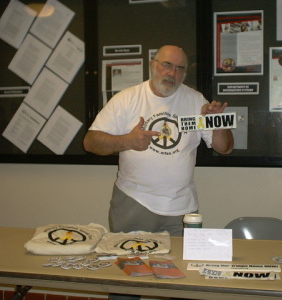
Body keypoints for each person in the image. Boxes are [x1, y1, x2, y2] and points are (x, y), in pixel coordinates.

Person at [84, 45, 233, 237]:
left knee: (181, 265)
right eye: (167, 65)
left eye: (180, 68)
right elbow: (90, 142)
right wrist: (127, 141)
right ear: (152, 65)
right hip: (134, 202)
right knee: (133, 265)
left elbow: (225, 148)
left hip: (182, 208)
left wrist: (218, 122)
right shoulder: (127, 99)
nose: (172, 73)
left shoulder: (196, 101)